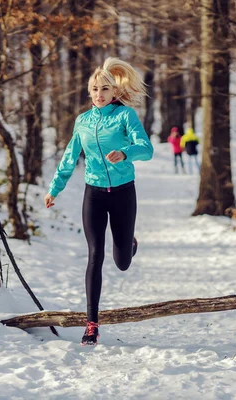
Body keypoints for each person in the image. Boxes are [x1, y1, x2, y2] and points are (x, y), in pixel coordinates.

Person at [43, 57, 153, 346]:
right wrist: (54, 189)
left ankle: (129, 244)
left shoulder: (125, 116)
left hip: (122, 192)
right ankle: (91, 323)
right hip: (93, 193)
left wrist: (126, 153)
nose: (99, 94)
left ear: (115, 92)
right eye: (94, 89)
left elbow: (147, 148)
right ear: (89, 92)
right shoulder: (83, 121)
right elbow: (69, 157)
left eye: (105, 89)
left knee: (122, 262)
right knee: (95, 255)